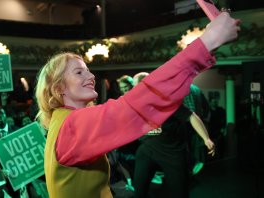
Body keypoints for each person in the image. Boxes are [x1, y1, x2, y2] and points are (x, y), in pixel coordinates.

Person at [35, 12, 239, 197]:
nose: (91, 76)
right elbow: (136, 104)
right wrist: (207, 42)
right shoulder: (72, 126)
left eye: (88, 70)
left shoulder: (63, 121)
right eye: (79, 72)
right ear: (58, 88)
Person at [132, 72, 215, 198]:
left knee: (179, 193)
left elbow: (191, 116)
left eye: (135, 86)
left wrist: (206, 138)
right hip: (147, 150)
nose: (133, 89)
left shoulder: (166, 101)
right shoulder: (135, 104)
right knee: (139, 192)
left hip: (172, 152)